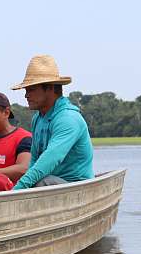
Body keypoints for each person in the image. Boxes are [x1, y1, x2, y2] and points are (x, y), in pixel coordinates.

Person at [10, 55, 94, 190]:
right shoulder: (38, 118)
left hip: (76, 185)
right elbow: (34, 160)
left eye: (31, 90)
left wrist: (17, 190)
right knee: (36, 180)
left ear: (49, 88)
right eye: (26, 90)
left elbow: (49, 160)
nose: (26, 95)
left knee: (41, 182)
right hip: (50, 182)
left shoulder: (68, 119)